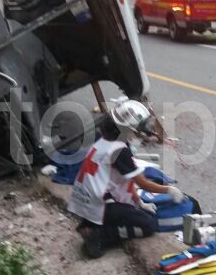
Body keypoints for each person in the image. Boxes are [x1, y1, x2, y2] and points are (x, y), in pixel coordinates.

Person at [69, 99, 185, 258]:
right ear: (128, 128)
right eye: (138, 129)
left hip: (85, 201)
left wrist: (139, 202)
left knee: (134, 212)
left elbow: (127, 179)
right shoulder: (119, 151)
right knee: (148, 225)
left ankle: (92, 225)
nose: (141, 132)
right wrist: (169, 190)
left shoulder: (104, 140)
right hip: (99, 205)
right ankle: (100, 235)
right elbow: (142, 182)